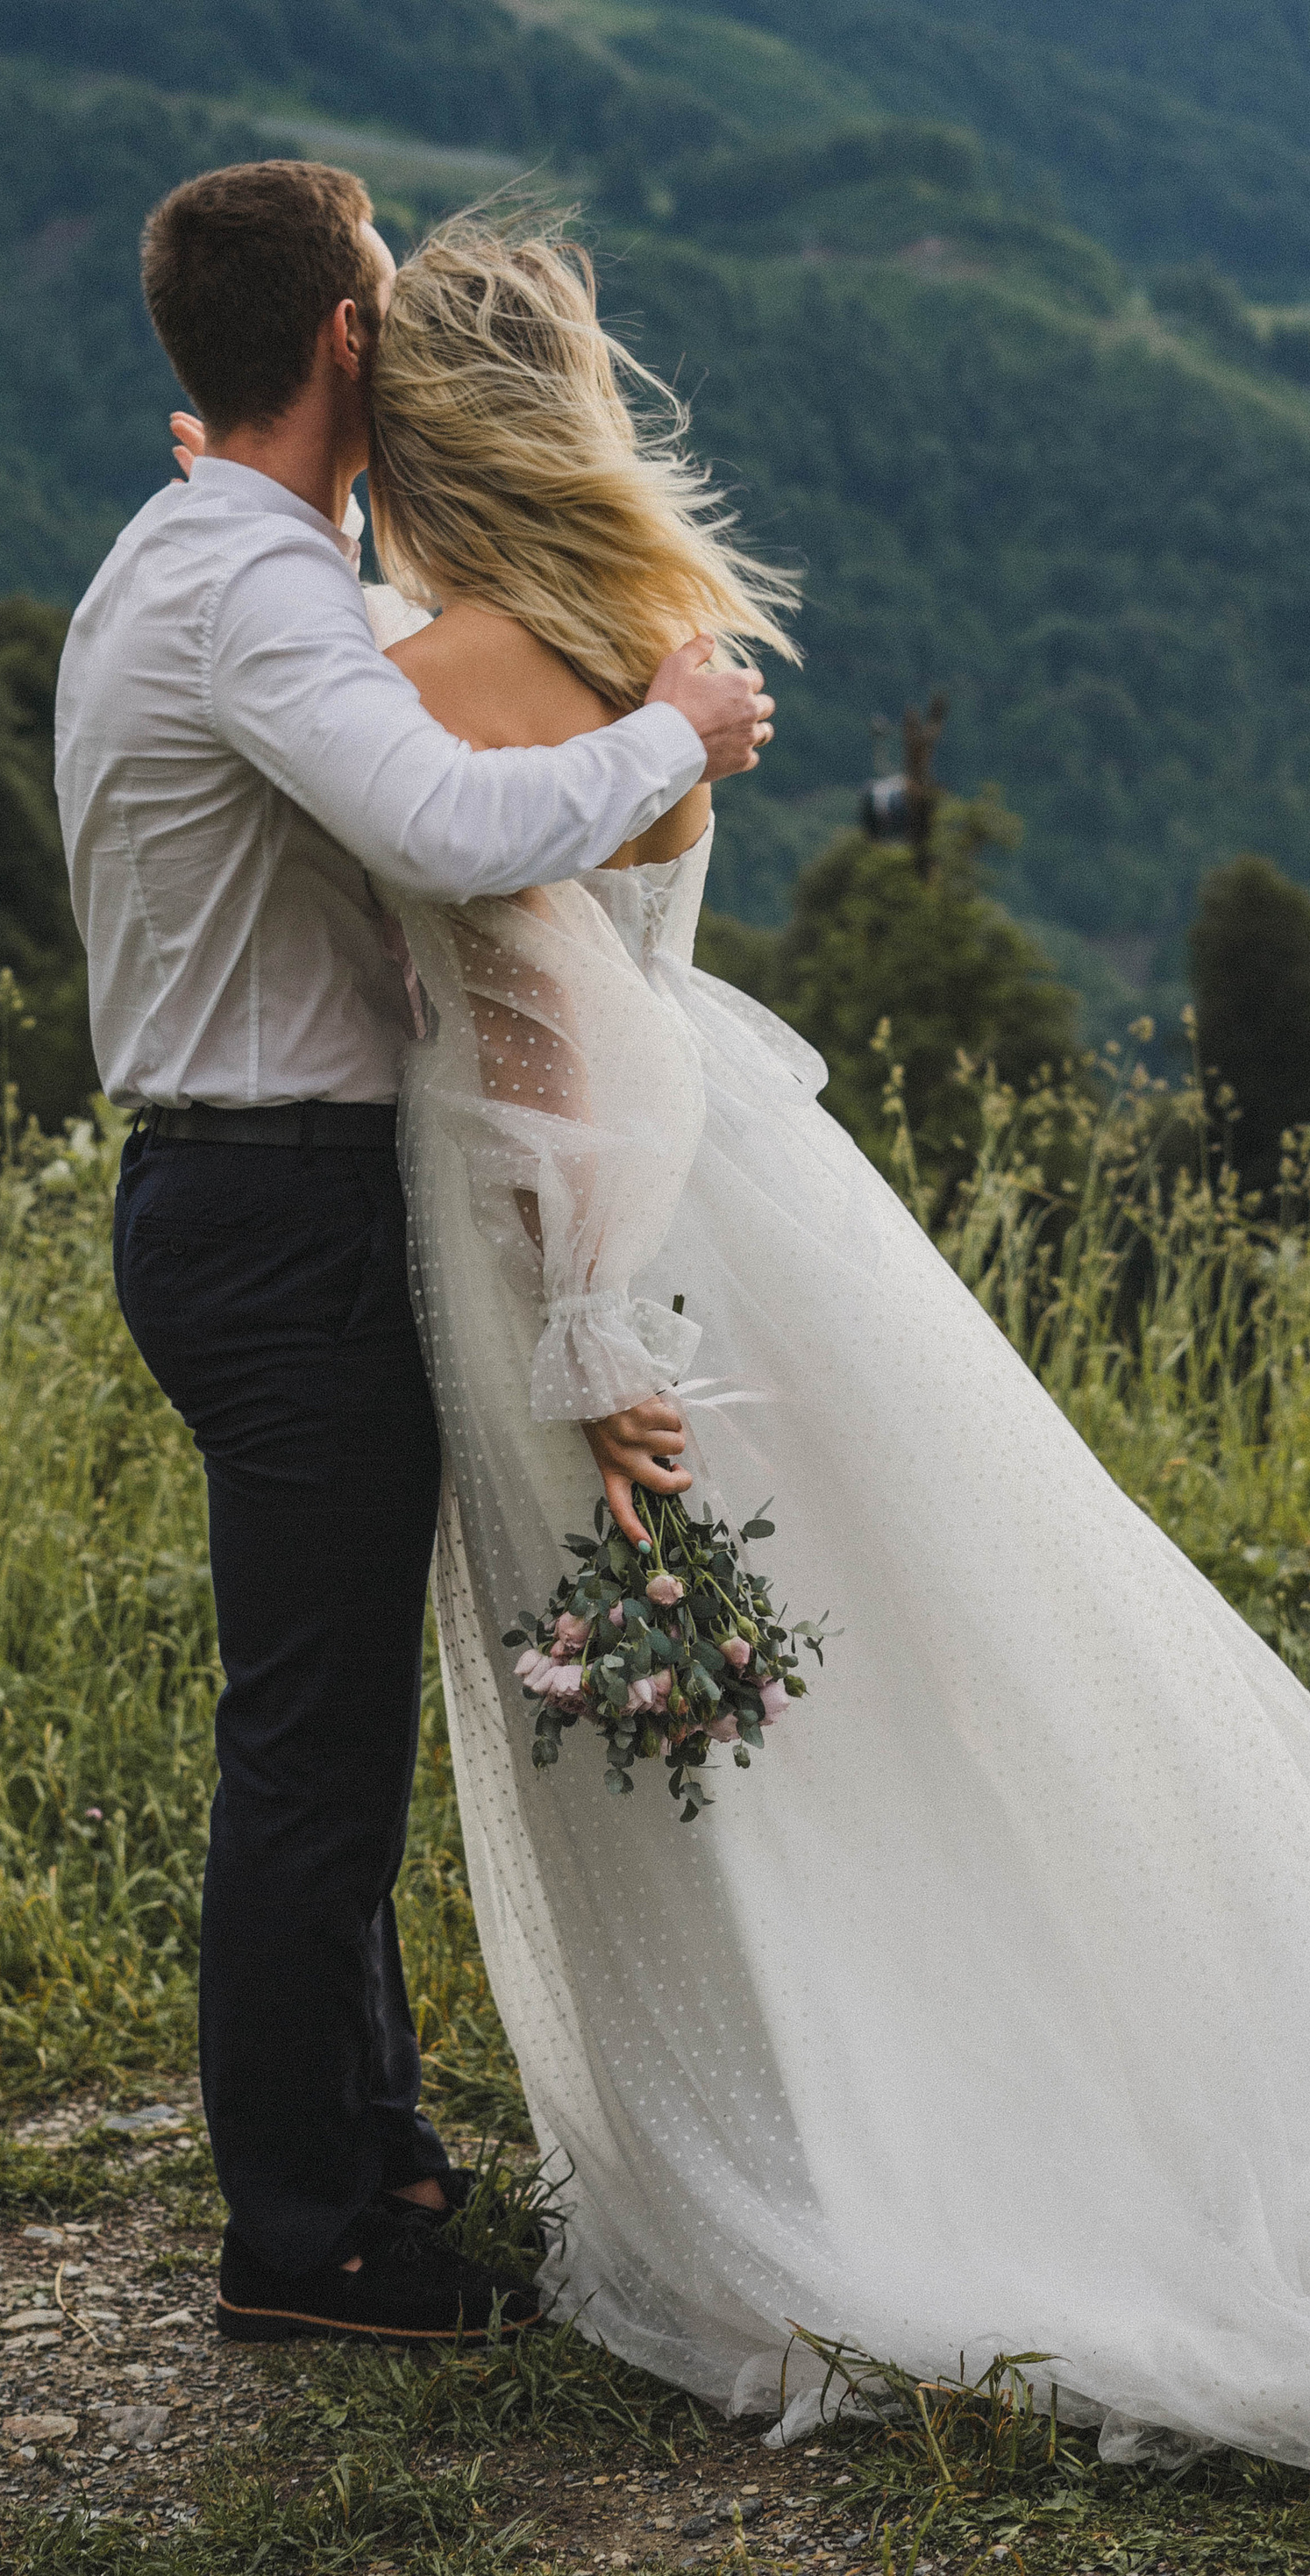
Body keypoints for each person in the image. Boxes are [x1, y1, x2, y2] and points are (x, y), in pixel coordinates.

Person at [364, 208, 1310, 2576]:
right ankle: (914, 2091)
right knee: (873, 1694)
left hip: (584, 1223)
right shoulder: (667, 638)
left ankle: (799, 2175)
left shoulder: (437, 678)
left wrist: (594, 1335)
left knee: (688, 1723)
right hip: (750, 1180)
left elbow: (548, 1036)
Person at [53, 159, 774, 2346]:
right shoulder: (246, 587)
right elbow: (443, 822)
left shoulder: (227, 558)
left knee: (331, 1717)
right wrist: (680, 733)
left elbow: (364, 697)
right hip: (277, 1212)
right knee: (308, 1743)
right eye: (384, 295)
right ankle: (303, 2240)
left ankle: (371, 2154)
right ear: (347, 339)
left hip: (260, 1197)